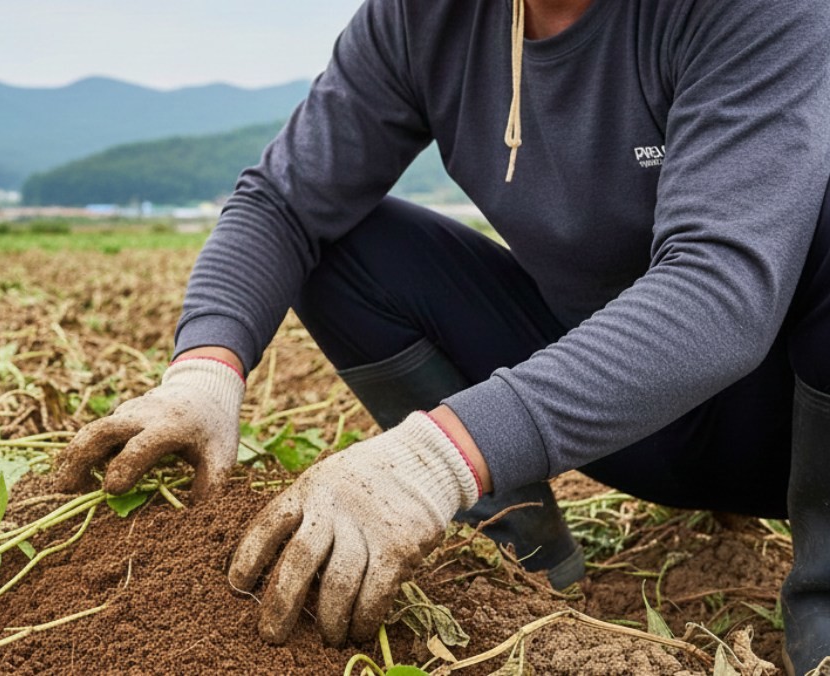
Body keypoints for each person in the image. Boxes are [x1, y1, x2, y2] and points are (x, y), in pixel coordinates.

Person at [55, 0, 830, 672]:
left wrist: (433, 458)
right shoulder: (426, 17)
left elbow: (718, 291)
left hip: (789, 427)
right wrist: (204, 371)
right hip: (624, 423)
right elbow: (282, 203)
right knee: (342, 238)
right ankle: (513, 555)